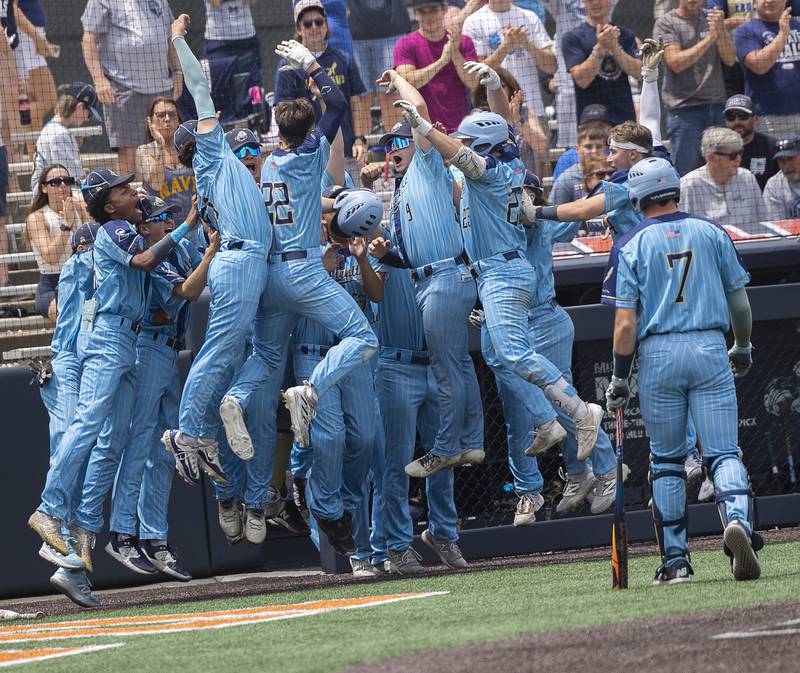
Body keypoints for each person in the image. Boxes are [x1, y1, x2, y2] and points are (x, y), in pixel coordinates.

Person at [394, 64, 605, 469]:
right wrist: (492, 86)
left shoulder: (490, 172)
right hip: (496, 272)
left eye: (472, 141)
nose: (465, 145)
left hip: (503, 273)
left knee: (513, 353)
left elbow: (465, 153)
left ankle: (580, 413)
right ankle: (549, 422)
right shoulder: (503, 160)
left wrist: (422, 124)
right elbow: (500, 131)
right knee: (504, 356)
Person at [217, 37, 380, 553]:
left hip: (267, 276)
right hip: (304, 272)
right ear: (306, 132)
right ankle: (309, 391)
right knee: (362, 335)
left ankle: (235, 398)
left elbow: (306, 124)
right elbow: (335, 104)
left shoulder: (263, 167)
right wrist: (312, 67)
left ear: (275, 133)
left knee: (265, 356)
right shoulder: (309, 157)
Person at [27, 166, 201, 568]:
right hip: (107, 336)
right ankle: (50, 508)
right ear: (109, 205)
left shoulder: (131, 226)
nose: (131, 192)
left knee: (114, 437)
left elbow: (153, 252)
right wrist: (185, 225)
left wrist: (160, 215)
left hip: (127, 339)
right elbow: (142, 260)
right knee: (88, 424)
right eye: (122, 190)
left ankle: (87, 525)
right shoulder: (111, 230)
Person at [602, 156, 763, 584]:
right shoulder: (712, 232)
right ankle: (738, 524)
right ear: (675, 188)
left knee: (669, 461)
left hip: (658, 356)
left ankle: (676, 562)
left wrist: (619, 378)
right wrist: (742, 347)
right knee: (723, 452)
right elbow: (741, 306)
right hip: (710, 348)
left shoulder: (629, 244)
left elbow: (624, 325)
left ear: (636, 196)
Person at [160, 13, 270, 485]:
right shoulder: (212, 152)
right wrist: (179, 40)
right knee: (219, 352)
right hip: (241, 262)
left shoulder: (214, 169)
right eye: (208, 126)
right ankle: (186, 434)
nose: (216, 124)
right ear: (200, 138)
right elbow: (200, 89)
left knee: (230, 351)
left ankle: (200, 433)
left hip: (243, 261)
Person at [366, 68, 483, 478]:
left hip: (445, 279)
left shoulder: (428, 163)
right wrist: (387, 252)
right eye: (387, 146)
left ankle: (448, 446)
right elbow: (408, 254)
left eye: (400, 142)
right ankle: (471, 440)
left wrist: (397, 77)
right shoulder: (398, 194)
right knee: (458, 365)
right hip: (431, 278)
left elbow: (418, 108)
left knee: (445, 367)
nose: (393, 149)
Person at [93, 195, 216, 580]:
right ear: (143, 227)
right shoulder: (151, 255)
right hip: (147, 348)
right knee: (141, 439)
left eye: (168, 216)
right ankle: (122, 532)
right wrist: (210, 250)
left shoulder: (176, 250)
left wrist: (210, 244)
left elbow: (202, 271)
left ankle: (155, 538)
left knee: (166, 448)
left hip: (169, 352)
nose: (166, 222)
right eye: (160, 218)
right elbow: (189, 292)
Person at [36, 221, 101, 608]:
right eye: (90, 245)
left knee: (86, 454)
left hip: (87, 362)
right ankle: (55, 534)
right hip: (67, 364)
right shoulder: (79, 265)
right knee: (69, 444)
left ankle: (71, 568)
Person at [81, 0, 183, 174]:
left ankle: (167, 199)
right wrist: (99, 79)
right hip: (124, 89)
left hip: (161, 90)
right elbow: (88, 40)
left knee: (168, 145)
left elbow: (170, 38)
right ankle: (129, 199)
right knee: (129, 152)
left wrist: (177, 72)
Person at [275, 0, 370, 165]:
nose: (314, 27)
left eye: (319, 22)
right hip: (305, 154)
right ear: (298, 29)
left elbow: (357, 104)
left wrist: (360, 140)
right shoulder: (286, 66)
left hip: (344, 150)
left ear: (326, 26)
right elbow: (282, 111)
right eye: (307, 23)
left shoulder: (344, 59)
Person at [655, 0, 736, 176]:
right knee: (685, 173)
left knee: (723, 168)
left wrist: (720, 31)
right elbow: (675, 62)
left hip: (716, 107)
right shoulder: (666, 22)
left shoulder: (712, 19)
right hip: (685, 112)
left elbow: (730, 59)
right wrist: (710, 38)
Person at [462, 0, 557, 122]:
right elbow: (475, 74)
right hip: (491, 115)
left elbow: (551, 66)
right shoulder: (473, 22)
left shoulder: (530, 17)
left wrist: (525, 43)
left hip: (531, 112)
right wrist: (506, 47)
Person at [393, 0, 478, 132]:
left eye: (433, 10)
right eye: (422, 12)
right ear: (416, 14)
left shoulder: (464, 41)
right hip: (422, 129)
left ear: (444, 9)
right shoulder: (405, 44)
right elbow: (407, 82)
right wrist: (442, 61)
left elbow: (474, 82)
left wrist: (454, 52)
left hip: (462, 129)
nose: (429, 17)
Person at [561, 0, 642, 126]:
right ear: (583, 2)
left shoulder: (625, 35)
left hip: (624, 119)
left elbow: (639, 72)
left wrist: (615, 48)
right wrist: (600, 47)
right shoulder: (573, 38)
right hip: (590, 120)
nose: (595, 3)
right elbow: (582, 80)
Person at [25, 164, 89, 320]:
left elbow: (93, 243)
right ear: (44, 188)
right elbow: (51, 257)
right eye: (55, 182)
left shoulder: (79, 207)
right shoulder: (37, 218)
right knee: (70, 317)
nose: (62, 185)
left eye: (67, 181)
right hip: (52, 284)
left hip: (83, 276)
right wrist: (66, 225)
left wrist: (84, 211)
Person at [734, 1, 800, 141]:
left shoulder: (798, 25)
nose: (770, 1)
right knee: (775, 161)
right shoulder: (745, 31)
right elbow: (759, 66)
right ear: (754, 2)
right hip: (768, 118)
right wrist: (782, 35)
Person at [680, 126, 766, 230]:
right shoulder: (689, 184)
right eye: (732, 155)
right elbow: (684, 229)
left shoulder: (747, 178)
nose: (739, 159)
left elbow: (763, 220)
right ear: (711, 157)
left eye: (740, 153)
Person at [471, 65, 549, 174]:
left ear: (510, 87)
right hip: (495, 182)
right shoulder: (478, 115)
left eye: (500, 86)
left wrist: (518, 121)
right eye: (488, 85)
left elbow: (542, 148)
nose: (495, 89)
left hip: (524, 183)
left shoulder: (525, 111)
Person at [348, 0, 411, 132]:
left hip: (391, 28)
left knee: (390, 91)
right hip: (356, 32)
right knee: (360, 96)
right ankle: (362, 146)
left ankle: (395, 145)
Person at [30, 82, 102, 195]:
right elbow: (69, 177)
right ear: (80, 107)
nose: (88, 119)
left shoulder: (55, 129)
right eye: (89, 114)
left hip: (49, 193)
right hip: (48, 198)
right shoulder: (59, 133)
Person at [135, 96, 195, 225]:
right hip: (162, 227)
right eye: (161, 115)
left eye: (172, 114)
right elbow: (155, 184)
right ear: (150, 121)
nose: (167, 119)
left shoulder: (190, 149)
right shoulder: (144, 151)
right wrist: (160, 145)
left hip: (195, 224)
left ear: (178, 119)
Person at [12, 0, 58, 130]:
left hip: (28, 36)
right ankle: (8, 126)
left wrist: (39, 38)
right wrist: (36, 37)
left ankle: (34, 151)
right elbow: (12, 9)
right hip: (24, 37)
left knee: (31, 100)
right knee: (48, 98)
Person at [724, 93, 778, 191]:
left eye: (742, 116)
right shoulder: (719, 150)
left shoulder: (771, 146)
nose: (737, 122)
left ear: (755, 119)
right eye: (731, 117)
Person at [549, 122, 608, 205]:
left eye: (599, 147)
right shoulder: (565, 179)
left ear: (604, 148)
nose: (594, 151)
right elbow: (554, 212)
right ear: (578, 149)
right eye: (588, 147)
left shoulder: (612, 174)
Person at [551, 103, 611, 180]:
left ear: (609, 129)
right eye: (588, 126)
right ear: (579, 128)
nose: (594, 129)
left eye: (600, 126)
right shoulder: (567, 158)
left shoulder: (616, 153)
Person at [763, 135, 800, 220]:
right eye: (782, 160)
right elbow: (776, 225)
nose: (787, 166)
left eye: (790, 159)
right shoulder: (774, 185)